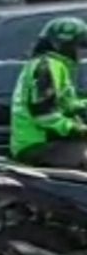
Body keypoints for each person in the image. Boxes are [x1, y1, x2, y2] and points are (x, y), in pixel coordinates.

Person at [11, 16, 87, 168]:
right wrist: (78, 129)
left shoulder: (57, 66)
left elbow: (67, 104)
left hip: (49, 141)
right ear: (66, 45)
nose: (82, 53)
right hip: (38, 144)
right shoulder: (46, 67)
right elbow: (44, 114)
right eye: (80, 46)